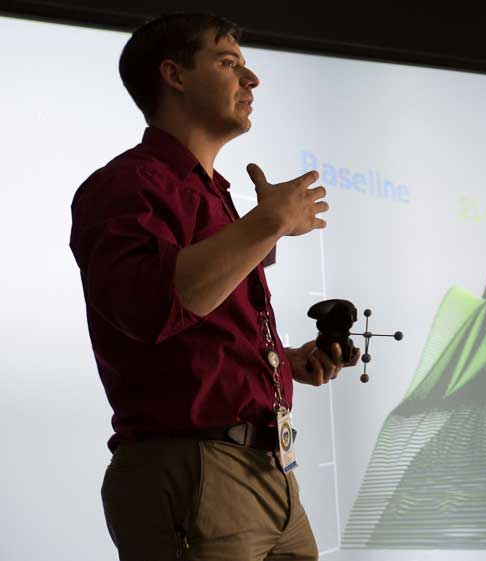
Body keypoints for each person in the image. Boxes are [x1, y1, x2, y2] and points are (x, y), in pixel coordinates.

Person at [68, 12, 357, 560]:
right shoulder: (124, 185)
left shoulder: (214, 196)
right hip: (197, 471)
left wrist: (284, 361)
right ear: (174, 75)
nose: (252, 81)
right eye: (229, 63)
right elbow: (156, 307)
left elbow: (198, 329)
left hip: (268, 472)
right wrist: (267, 222)